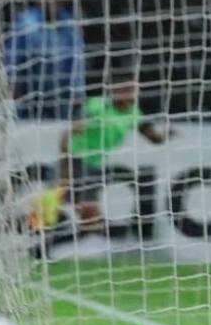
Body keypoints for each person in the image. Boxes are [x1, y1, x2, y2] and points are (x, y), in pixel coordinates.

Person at [59, 75, 171, 234]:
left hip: (94, 165)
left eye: (131, 90)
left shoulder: (134, 114)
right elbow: (69, 132)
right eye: (122, 88)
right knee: (64, 202)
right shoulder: (96, 105)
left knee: (86, 214)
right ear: (113, 89)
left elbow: (154, 138)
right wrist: (65, 162)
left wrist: (167, 134)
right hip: (75, 159)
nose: (126, 93)